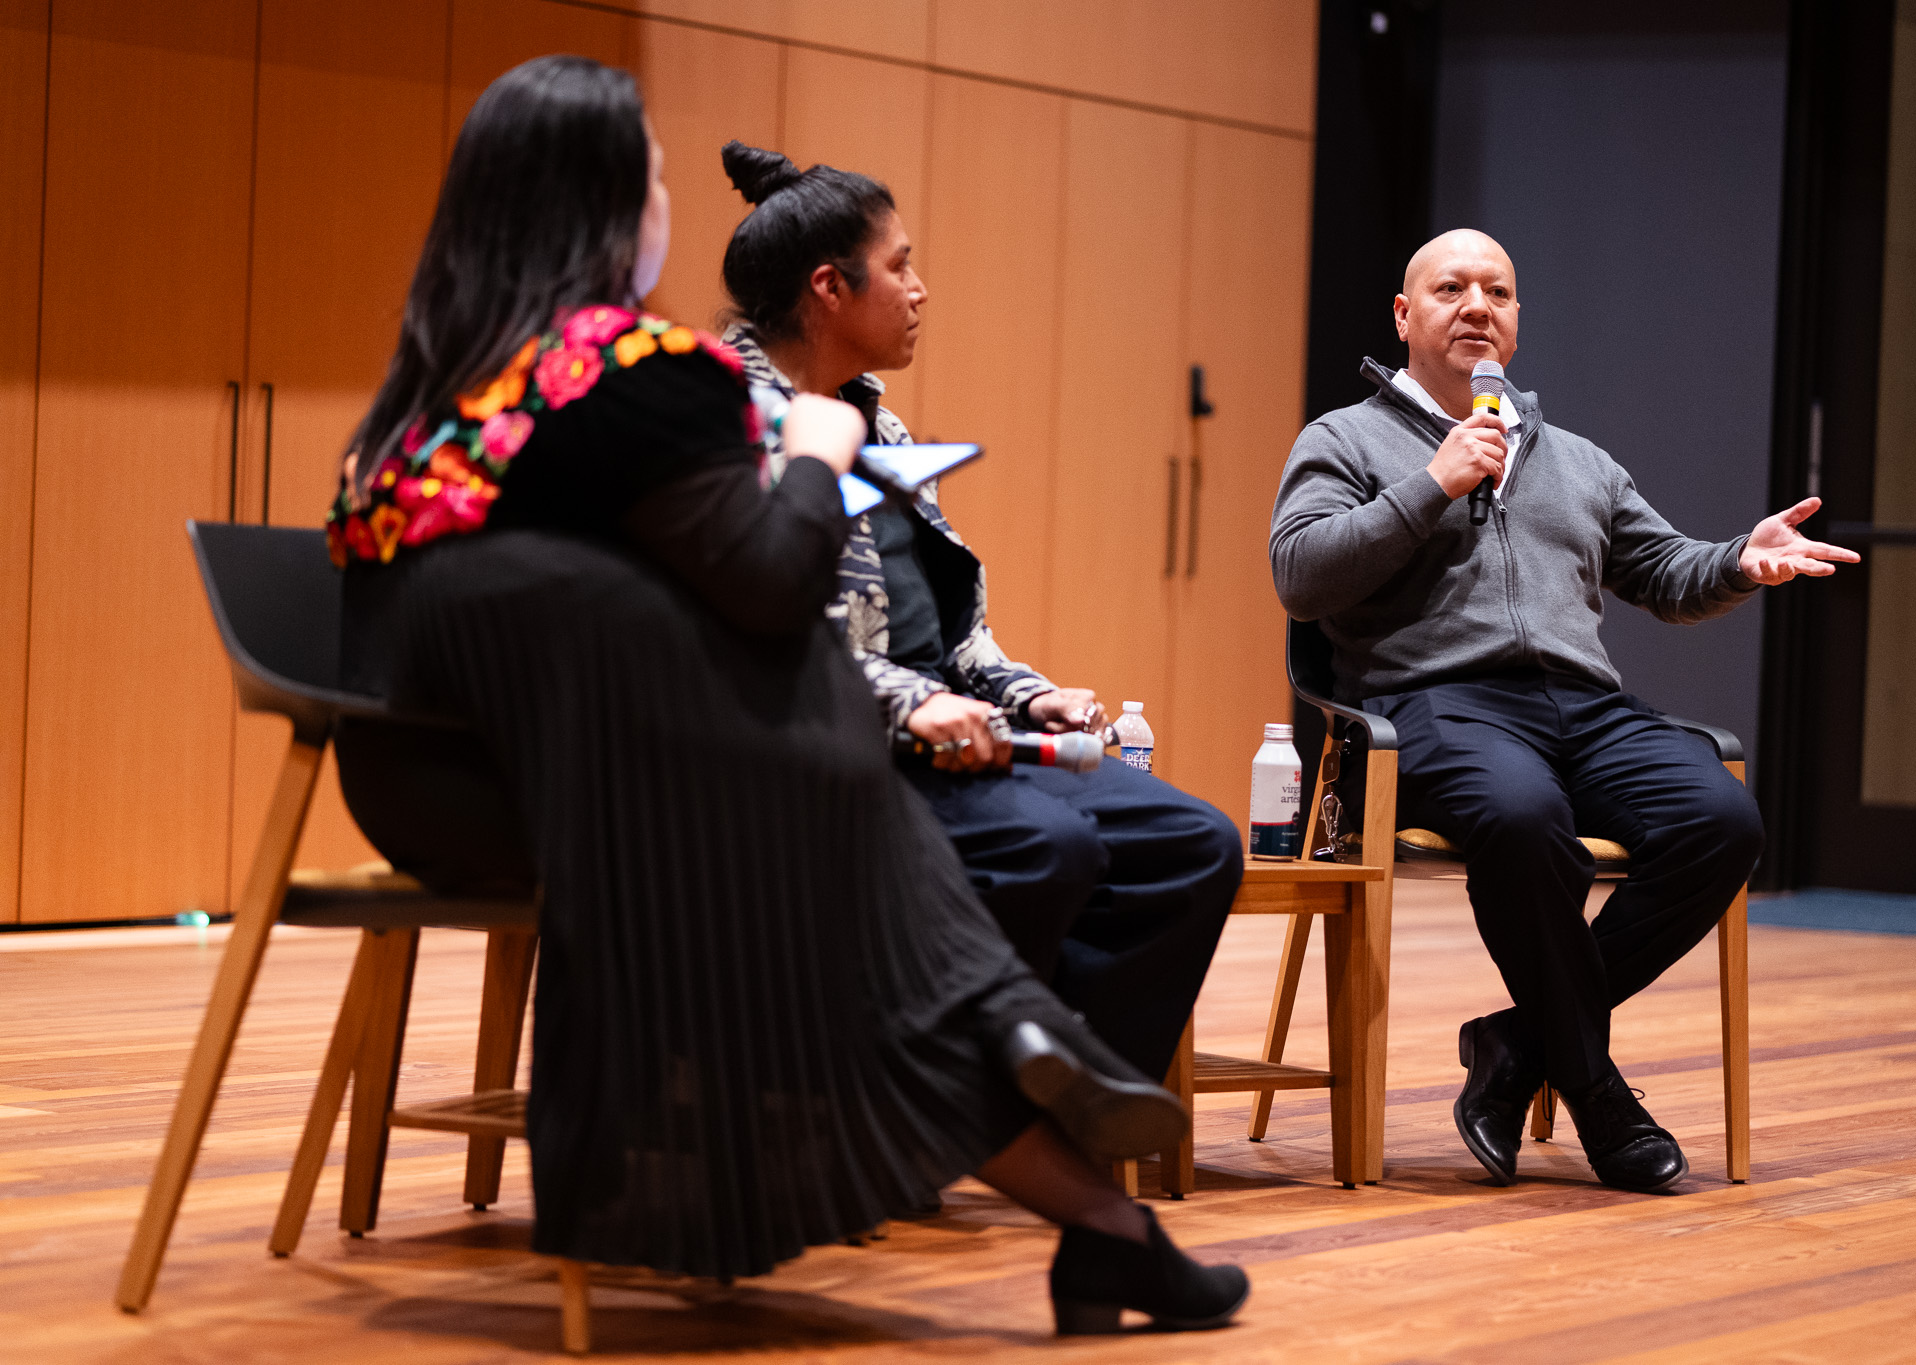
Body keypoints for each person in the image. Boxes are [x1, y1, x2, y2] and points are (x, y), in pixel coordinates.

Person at [326, 55, 1247, 1334]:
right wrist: (815, 460)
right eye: (649, 179)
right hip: (588, 792)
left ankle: (1095, 1202)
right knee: (836, 841)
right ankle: (1033, 1060)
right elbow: (764, 590)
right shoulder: (633, 373)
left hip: (421, 783)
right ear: (600, 208)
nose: (662, 212)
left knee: (854, 853)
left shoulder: (433, 386)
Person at [1269, 229, 1857, 1193]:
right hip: (1436, 704)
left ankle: (1517, 1043)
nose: (1475, 305)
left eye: (1496, 291)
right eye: (1449, 287)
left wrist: (1739, 561)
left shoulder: (1574, 459)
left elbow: (1665, 572)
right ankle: (1600, 1096)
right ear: (1403, 315)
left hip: (1583, 710)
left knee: (1720, 820)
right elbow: (1301, 575)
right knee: (1524, 817)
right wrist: (1431, 485)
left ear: (1515, 320)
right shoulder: (1344, 439)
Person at [714, 141, 1243, 1084]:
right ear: (830, 288)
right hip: (825, 747)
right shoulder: (728, 421)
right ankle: (930, 1089)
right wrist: (907, 704)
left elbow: (949, 628)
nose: (921, 290)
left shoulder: (880, 424)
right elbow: (756, 623)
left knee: (1194, 844)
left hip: (955, 735)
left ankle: (1054, 1099)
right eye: (902, 265)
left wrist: (1028, 694)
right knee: (1051, 845)